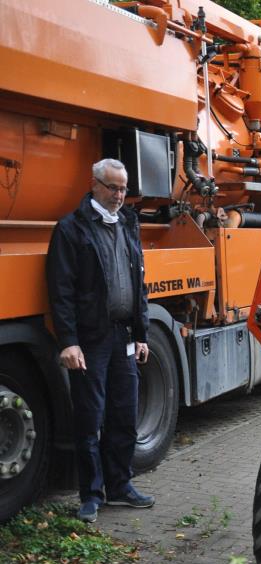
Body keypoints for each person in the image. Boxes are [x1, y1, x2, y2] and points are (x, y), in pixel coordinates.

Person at [46, 158, 155, 522]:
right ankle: (91, 494)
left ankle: (120, 487)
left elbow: (139, 282)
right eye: (112, 188)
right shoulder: (72, 229)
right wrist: (69, 341)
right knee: (90, 418)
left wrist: (141, 334)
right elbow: (61, 290)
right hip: (90, 341)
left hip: (122, 335)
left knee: (124, 414)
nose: (119, 195)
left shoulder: (127, 223)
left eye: (123, 188)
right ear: (93, 184)